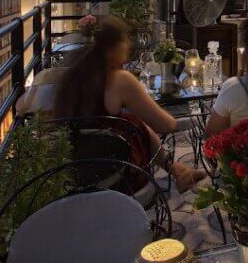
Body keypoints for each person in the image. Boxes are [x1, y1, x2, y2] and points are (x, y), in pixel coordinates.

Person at [53, 16, 206, 192]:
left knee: (131, 121)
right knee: (136, 123)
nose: (128, 45)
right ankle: (179, 172)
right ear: (113, 47)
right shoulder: (119, 80)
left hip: (74, 173)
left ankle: (179, 171)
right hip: (116, 175)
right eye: (125, 40)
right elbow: (166, 124)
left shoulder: (72, 76)